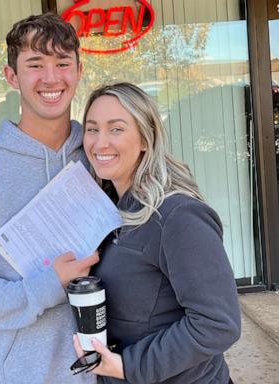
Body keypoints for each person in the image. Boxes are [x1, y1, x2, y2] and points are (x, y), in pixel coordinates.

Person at [0, 13, 99, 384]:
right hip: (20, 374)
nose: (50, 78)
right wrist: (46, 286)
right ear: (12, 76)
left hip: (103, 372)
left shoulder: (99, 158)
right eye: (35, 64)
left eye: (62, 63)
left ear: (78, 70)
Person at [74, 82, 241, 383]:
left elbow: (218, 323)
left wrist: (129, 366)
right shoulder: (110, 210)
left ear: (144, 139)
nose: (100, 143)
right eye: (92, 129)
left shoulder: (177, 215)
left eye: (116, 129)